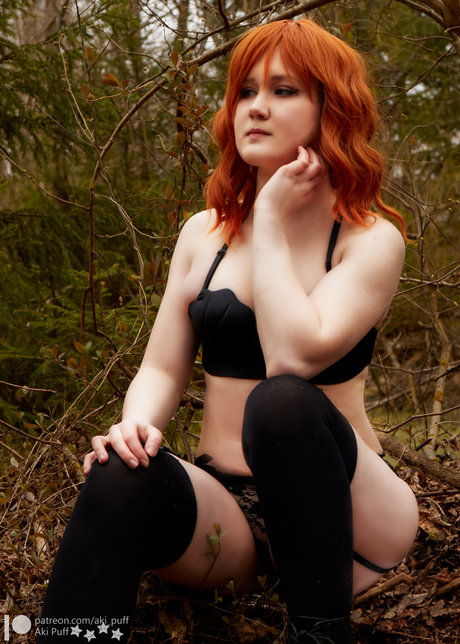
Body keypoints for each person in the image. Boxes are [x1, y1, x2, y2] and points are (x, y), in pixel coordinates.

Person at [38, 18, 419, 644]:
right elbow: (162, 367)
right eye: (245, 91)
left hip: (350, 519)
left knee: (282, 400)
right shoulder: (203, 234)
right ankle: (70, 637)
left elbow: (292, 358)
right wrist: (136, 426)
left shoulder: (368, 239)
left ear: (333, 109)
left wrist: (268, 220)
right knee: (118, 471)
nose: (256, 107)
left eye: (283, 90)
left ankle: (320, 634)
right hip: (229, 514)